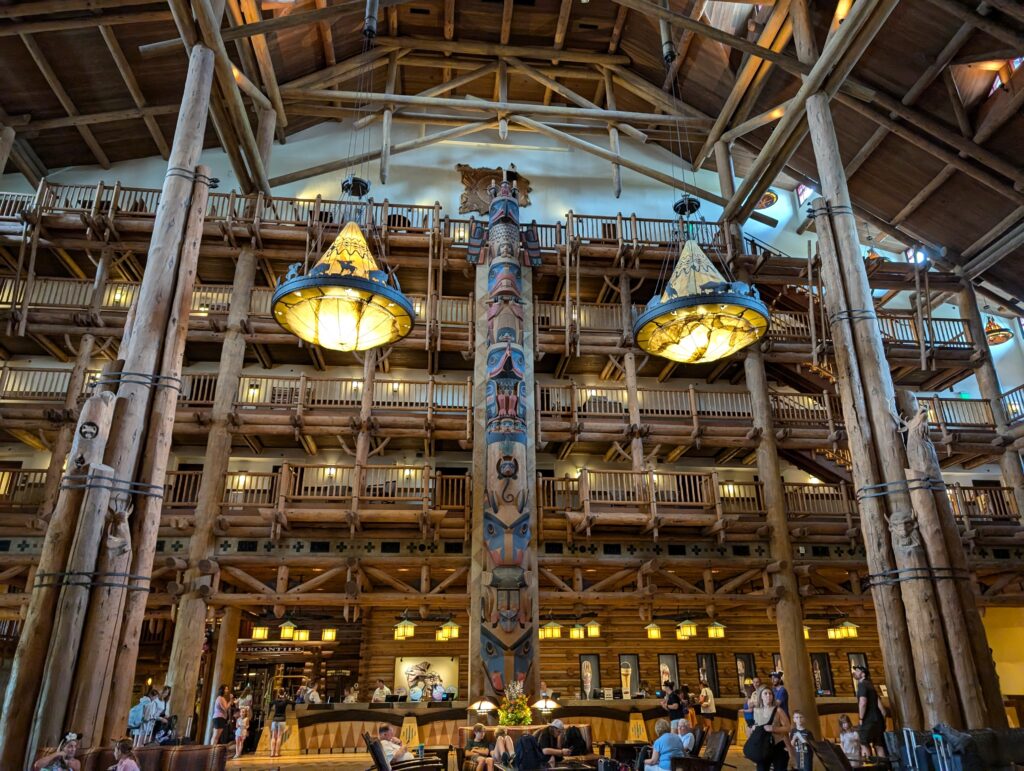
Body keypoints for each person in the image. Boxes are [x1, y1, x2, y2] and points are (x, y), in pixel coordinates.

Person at [751, 687, 791, 771]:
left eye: (770, 694)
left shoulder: (778, 710)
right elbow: (754, 728)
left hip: (777, 745)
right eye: (765, 694)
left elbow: (788, 727)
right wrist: (754, 728)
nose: (768, 695)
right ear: (761, 697)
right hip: (763, 746)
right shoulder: (756, 711)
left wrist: (773, 728)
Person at [853, 666, 887, 758]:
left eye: (857, 671)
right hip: (878, 720)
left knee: (864, 743)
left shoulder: (862, 684)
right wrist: (882, 719)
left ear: (863, 674)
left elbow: (863, 702)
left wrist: (861, 718)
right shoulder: (871, 686)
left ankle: (869, 767)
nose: (855, 672)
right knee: (878, 745)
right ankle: (883, 767)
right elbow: (881, 708)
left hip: (868, 720)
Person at [269, 687, 291, 758]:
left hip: (275, 720)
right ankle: (276, 753)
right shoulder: (285, 701)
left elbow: (270, 703)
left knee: (273, 737)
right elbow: (293, 702)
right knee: (279, 737)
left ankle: (272, 753)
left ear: (278, 694)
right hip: (282, 720)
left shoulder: (275, 701)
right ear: (284, 693)